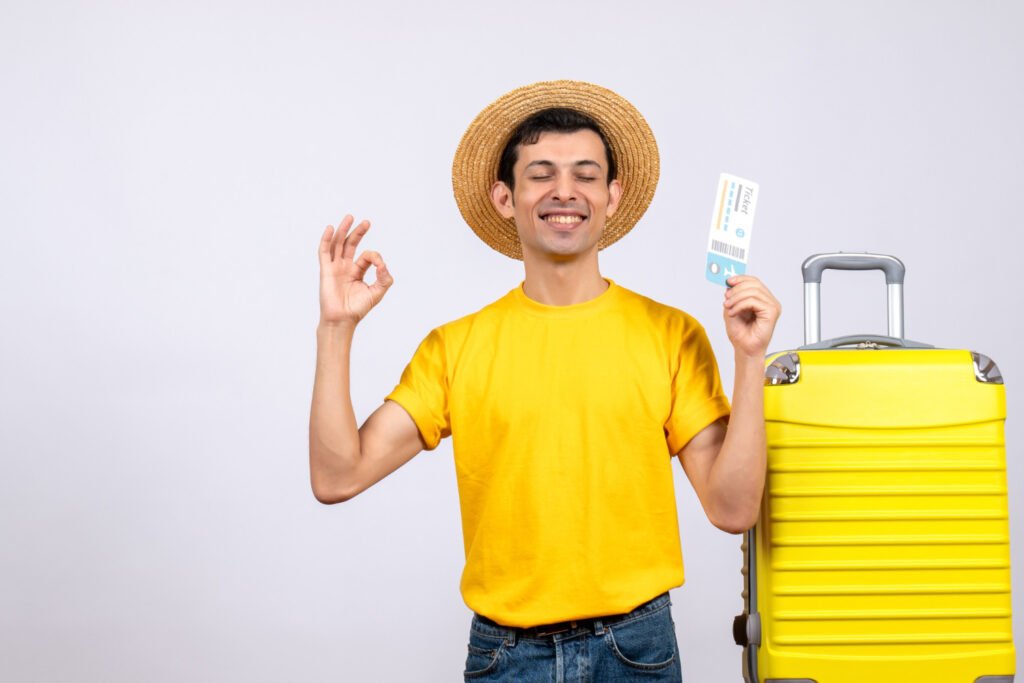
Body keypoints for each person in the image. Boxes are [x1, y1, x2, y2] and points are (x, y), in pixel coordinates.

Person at [309, 80, 781, 682]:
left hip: (638, 650)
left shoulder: (672, 335)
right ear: (505, 197)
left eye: (586, 175)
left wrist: (749, 359)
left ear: (612, 196)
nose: (565, 191)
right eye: (541, 174)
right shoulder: (455, 347)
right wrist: (335, 328)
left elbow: (733, 508)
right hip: (507, 657)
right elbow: (337, 477)